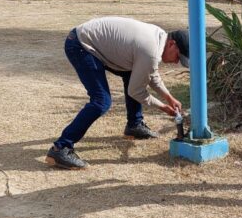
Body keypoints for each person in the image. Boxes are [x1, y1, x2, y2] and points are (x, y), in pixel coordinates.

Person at [46, 16, 189, 170]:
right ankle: (61, 148)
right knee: (101, 101)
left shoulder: (159, 37)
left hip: (89, 41)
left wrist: (169, 97)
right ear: (172, 43)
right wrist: (163, 107)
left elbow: (149, 74)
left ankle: (134, 126)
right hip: (81, 45)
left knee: (131, 73)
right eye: (177, 56)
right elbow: (136, 91)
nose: (176, 62)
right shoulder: (151, 50)